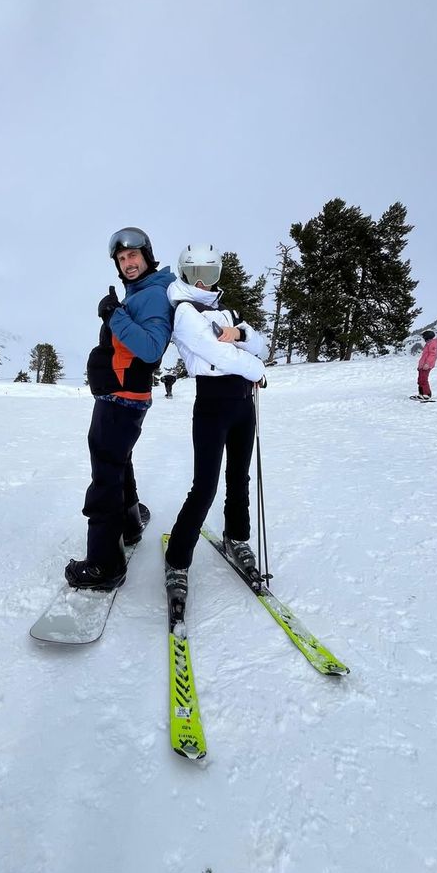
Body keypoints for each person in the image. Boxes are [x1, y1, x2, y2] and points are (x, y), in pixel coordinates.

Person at [65, 228, 176, 590]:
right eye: (122, 259)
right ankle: (129, 524)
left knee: (105, 478)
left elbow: (151, 348)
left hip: (122, 398)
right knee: (119, 462)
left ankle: (104, 565)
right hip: (123, 396)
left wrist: (114, 315)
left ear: (147, 256)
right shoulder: (142, 292)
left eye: (134, 256)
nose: (128, 263)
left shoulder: (154, 295)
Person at [164, 243, 267, 607]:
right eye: (196, 274)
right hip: (212, 404)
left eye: (210, 274)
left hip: (243, 404)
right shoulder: (184, 311)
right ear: (185, 274)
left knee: (239, 478)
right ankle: (177, 559)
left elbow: (261, 345)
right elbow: (217, 354)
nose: (203, 281)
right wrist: (256, 368)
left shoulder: (227, 311)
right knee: (204, 486)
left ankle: (236, 537)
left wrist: (241, 335)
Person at [415, 330, 437, 401]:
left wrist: (427, 364)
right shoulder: (428, 343)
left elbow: (432, 355)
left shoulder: (433, 343)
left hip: (426, 365)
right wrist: (420, 366)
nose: (423, 338)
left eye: (424, 336)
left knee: (424, 379)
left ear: (427, 337)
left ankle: (427, 394)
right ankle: (421, 394)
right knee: (420, 380)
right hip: (422, 365)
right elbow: (424, 356)